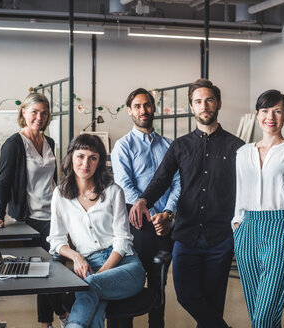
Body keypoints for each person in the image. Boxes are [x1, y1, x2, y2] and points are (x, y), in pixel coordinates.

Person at [130, 79, 244, 328]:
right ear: (191, 107)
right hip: (185, 235)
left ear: (219, 104)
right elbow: (160, 179)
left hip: (220, 238)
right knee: (185, 295)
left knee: (213, 302)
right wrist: (142, 201)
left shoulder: (238, 148)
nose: (204, 106)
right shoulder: (180, 146)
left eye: (209, 100)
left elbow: (248, 191)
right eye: (198, 101)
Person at [47, 134, 145, 328]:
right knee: (95, 309)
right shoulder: (60, 194)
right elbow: (56, 240)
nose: (86, 163)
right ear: (71, 158)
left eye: (93, 157)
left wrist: (101, 273)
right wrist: (76, 257)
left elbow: (123, 240)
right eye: (81, 156)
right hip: (88, 264)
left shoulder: (113, 191)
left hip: (125, 265)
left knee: (90, 286)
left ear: (99, 162)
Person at [232, 89, 284, 328]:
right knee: (258, 312)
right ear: (257, 115)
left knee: (265, 315)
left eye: (277, 111)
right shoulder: (243, 153)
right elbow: (239, 194)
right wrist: (237, 225)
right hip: (247, 229)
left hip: (281, 229)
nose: (271, 116)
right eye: (265, 111)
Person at [0, 92, 68, 328]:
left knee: (50, 269)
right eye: (34, 112)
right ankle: (63, 315)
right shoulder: (14, 144)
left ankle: (45, 323)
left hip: (54, 213)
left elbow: (53, 179)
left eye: (44, 113)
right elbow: (3, 182)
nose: (39, 117)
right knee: (51, 269)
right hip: (32, 217)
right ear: (24, 112)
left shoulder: (49, 142)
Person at [111, 88, 180, 328]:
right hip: (138, 225)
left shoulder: (170, 146)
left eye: (147, 105)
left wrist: (167, 214)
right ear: (129, 110)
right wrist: (152, 215)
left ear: (153, 108)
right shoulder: (123, 146)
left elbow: (177, 183)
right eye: (137, 106)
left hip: (165, 226)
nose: (143, 110)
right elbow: (124, 186)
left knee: (159, 285)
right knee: (131, 281)